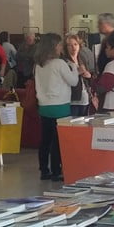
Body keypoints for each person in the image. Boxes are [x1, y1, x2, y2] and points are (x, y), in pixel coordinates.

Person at [33, 33, 79, 181]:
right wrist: (74, 67)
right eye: (60, 45)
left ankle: (44, 170)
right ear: (54, 47)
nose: (61, 48)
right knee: (57, 141)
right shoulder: (59, 64)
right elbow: (73, 81)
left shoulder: (39, 65)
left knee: (45, 140)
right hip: (60, 106)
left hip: (44, 106)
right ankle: (56, 170)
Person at [65, 33, 95, 116]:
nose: (73, 47)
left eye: (75, 44)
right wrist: (77, 72)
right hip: (72, 100)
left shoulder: (82, 59)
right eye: (70, 45)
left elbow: (89, 77)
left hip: (85, 98)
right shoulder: (64, 62)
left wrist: (89, 76)